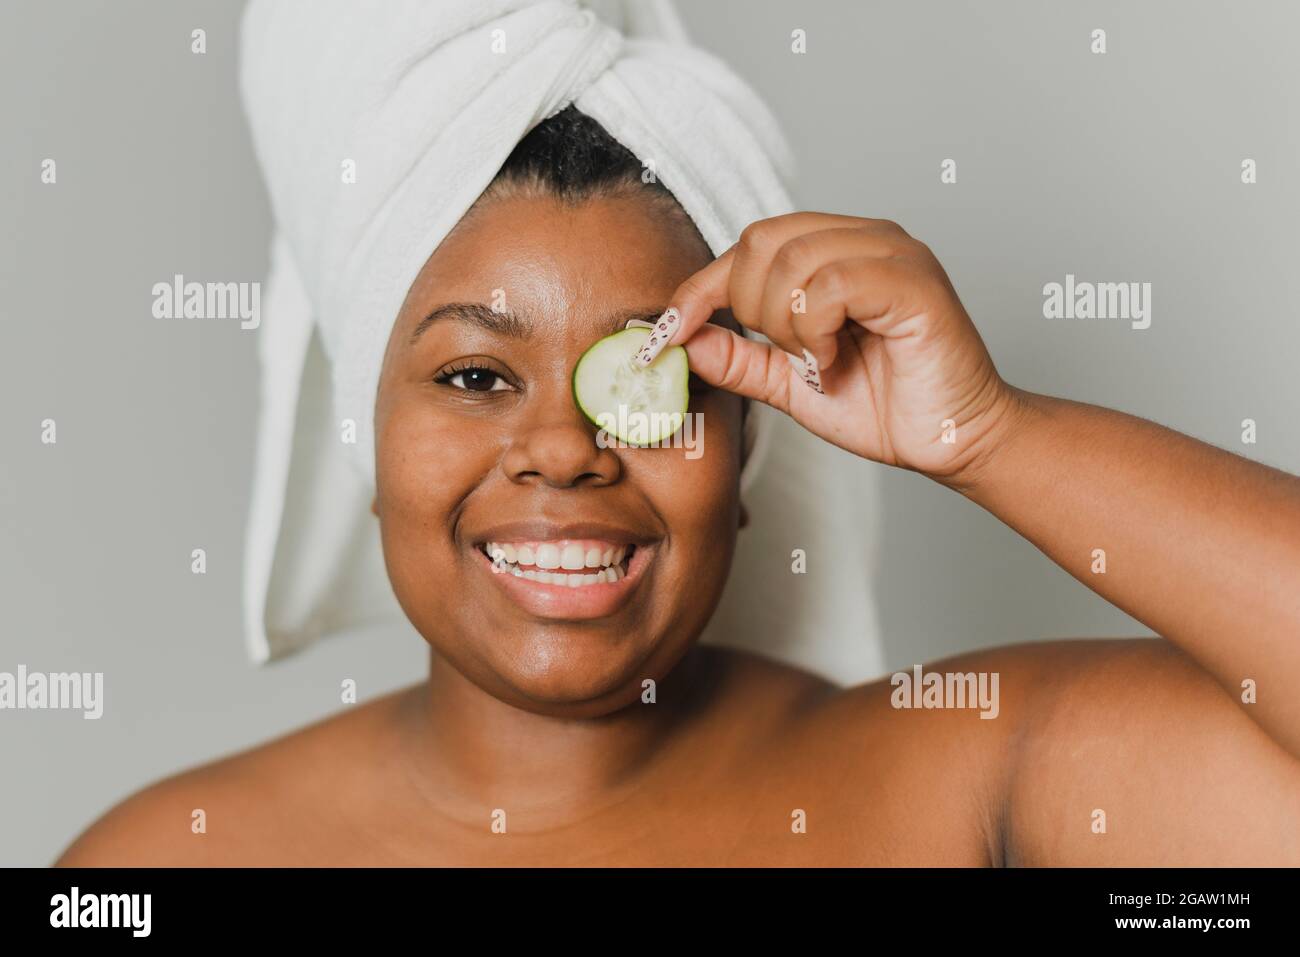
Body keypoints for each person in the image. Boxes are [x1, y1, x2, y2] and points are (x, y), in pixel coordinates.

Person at [56, 106, 1300, 867]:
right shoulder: (164, 864)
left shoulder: (962, 775)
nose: (564, 450)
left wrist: (987, 434)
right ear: (365, 446)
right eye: (479, 375)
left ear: (748, 448)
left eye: (646, 378)